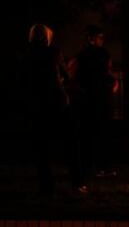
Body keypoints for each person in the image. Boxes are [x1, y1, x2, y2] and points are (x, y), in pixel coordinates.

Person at [24, 24, 86, 197]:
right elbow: (66, 75)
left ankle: (46, 185)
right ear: (47, 37)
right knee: (71, 143)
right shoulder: (54, 52)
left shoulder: (27, 55)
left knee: (41, 147)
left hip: (38, 104)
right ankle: (77, 182)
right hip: (58, 102)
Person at [74, 25, 117, 178]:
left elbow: (108, 72)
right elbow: (107, 72)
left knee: (95, 133)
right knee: (99, 132)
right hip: (96, 98)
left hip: (96, 98)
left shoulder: (88, 54)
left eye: (102, 38)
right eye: (99, 37)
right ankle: (100, 166)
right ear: (91, 38)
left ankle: (97, 166)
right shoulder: (92, 55)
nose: (102, 40)